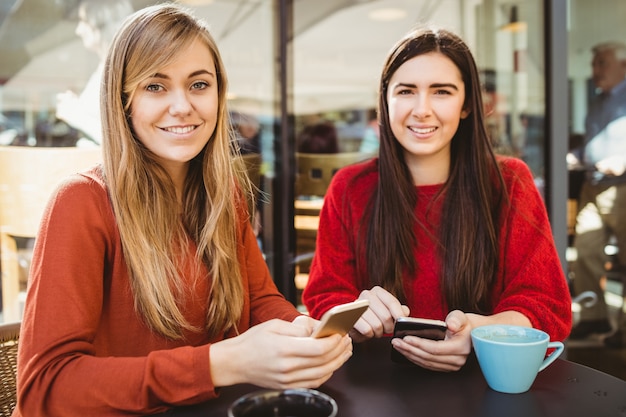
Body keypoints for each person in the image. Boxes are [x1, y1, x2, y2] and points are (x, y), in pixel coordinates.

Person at [14, 4, 352, 416]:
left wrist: (298, 330)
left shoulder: (224, 193)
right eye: (155, 86)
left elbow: (260, 301)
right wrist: (217, 364)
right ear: (124, 101)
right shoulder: (82, 203)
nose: (182, 106)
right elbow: (43, 392)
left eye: (198, 84)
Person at [302, 26, 572, 372]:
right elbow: (323, 298)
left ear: (467, 105)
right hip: (375, 385)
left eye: (441, 91)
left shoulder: (509, 182)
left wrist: (479, 332)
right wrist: (355, 310)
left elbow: (545, 306)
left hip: (483, 382)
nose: (422, 109)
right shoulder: (350, 187)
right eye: (406, 91)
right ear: (385, 101)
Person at [568, 41, 626, 345]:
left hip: (622, 189)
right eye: (595, 64)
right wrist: (575, 155)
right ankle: (595, 318)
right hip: (594, 185)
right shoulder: (598, 101)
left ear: (623, 66)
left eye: (602, 63)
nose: (595, 70)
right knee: (587, 252)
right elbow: (593, 142)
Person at [55, 0, 133, 145]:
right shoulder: (103, 67)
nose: (78, 30)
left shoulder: (121, 72)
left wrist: (74, 113)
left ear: (102, 24)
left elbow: (121, 142)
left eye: (84, 21)